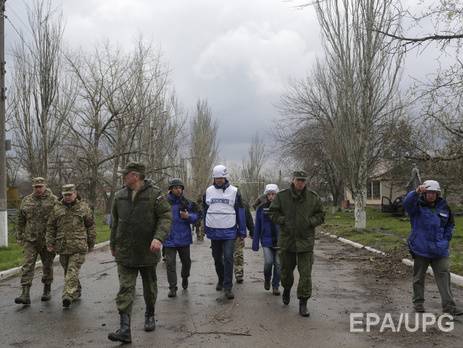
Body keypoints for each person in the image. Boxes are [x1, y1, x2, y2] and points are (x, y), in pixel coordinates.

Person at [108, 162, 171, 344]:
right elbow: (115, 223)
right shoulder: (119, 196)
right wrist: (113, 244)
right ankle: (125, 329)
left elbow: (166, 217)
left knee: (149, 287)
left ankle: (150, 314)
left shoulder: (155, 195)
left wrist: (159, 238)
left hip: (147, 250)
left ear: (135, 176)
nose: (123, 177)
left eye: (125, 174)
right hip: (125, 251)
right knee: (125, 288)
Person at [269, 171, 325, 317]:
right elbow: (273, 212)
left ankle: (303, 303)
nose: (300, 183)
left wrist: (310, 222)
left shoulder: (313, 198)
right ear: (293, 180)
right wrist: (283, 221)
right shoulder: (282, 196)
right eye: (298, 180)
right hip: (287, 241)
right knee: (286, 272)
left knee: (305, 275)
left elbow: (321, 215)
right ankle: (286, 289)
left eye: (303, 180)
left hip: (305, 241)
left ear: (305, 182)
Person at [403, 180, 463, 316]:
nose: (430, 195)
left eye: (433, 193)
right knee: (418, 278)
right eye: (428, 192)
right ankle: (418, 303)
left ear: (437, 194)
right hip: (421, 248)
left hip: (439, 250)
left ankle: (449, 307)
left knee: (444, 277)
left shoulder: (444, 207)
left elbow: (450, 224)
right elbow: (406, 204)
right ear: (424, 193)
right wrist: (416, 191)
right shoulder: (416, 206)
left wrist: (446, 239)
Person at [46, 184, 96, 308]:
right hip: (63, 246)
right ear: (62, 195)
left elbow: (90, 226)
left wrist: (91, 242)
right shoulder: (57, 208)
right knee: (68, 271)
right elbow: (51, 226)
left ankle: (67, 295)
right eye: (65, 195)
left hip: (79, 246)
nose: (68, 197)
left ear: (75, 193)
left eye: (70, 194)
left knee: (72, 270)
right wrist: (50, 242)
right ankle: (76, 290)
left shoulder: (83, 207)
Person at [203, 164, 246, 300]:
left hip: (229, 230)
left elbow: (240, 211)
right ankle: (221, 279)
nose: (219, 180)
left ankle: (228, 287)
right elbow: (205, 210)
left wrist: (242, 230)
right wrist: (205, 226)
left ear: (225, 177)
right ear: (214, 178)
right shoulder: (208, 191)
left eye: (221, 178)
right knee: (217, 258)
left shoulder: (234, 191)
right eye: (217, 178)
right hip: (214, 230)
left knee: (228, 257)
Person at [15, 177, 58, 305]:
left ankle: (47, 289)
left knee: (47, 265)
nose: (38, 189)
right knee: (27, 265)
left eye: (40, 186)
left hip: (47, 240)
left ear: (45, 185)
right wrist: (19, 235)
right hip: (30, 239)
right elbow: (20, 219)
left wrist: (57, 238)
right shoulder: (27, 200)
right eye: (36, 187)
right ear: (33, 187)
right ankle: (25, 293)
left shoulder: (53, 200)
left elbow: (59, 219)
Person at [164, 178, 199, 298]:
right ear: (171, 189)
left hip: (184, 237)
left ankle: (185, 277)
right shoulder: (164, 202)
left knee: (186, 262)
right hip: (169, 238)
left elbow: (196, 217)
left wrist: (188, 216)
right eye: (175, 188)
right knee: (170, 264)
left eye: (180, 188)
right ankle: (172, 287)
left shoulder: (187, 202)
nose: (178, 190)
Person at [252, 184, 281, 295]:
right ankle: (267, 278)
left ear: (277, 195)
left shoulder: (282, 207)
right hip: (266, 240)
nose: (271, 196)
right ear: (266, 195)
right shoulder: (261, 208)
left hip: (280, 240)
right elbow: (258, 226)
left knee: (278, 264)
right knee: (268, 262)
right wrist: (255, 243)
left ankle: (275, 286)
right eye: (269, 194)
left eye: (273, 194)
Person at [234, 200, 254, 283]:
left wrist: (252, 230)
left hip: (239, 233)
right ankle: (224, 275)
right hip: (224, 233)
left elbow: (248, 218)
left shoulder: (243, 204)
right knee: (226, 255)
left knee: (238, 254)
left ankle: (239, 274)